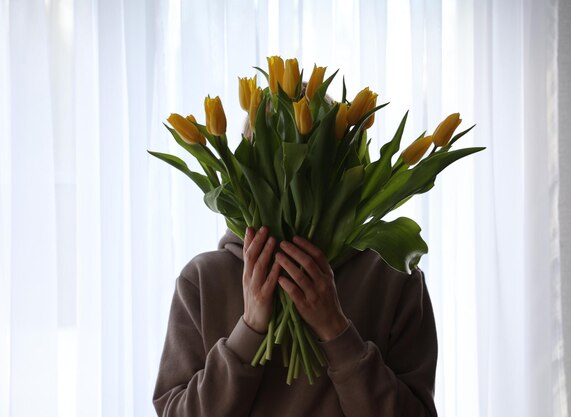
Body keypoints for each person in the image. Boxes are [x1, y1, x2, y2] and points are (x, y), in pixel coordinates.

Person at [152, 86, 438, 416]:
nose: (297, 174)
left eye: (317, 153)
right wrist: (249, 329)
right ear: (251, 166)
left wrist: (335, 329)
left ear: (343, 161)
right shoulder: (202, 280)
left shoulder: (393, 277)